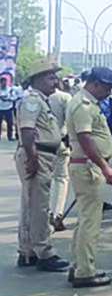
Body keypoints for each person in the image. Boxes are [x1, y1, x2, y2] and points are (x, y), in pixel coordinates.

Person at [66, 67, 112, 287]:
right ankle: (85, 271)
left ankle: (78, 265)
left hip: (88, 166)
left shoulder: (87, 102)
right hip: (88, 167)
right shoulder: (83, 104)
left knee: (84, 220)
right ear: (95, 84)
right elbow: (85, 137)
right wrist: (104, 167)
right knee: (90, 222)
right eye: (107, 88)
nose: (109, 93)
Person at [14, 63, 71, 272]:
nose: (55, 82)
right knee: (39, 206)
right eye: (51, 78)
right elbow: (27, 131)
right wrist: (32, 157)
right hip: (38, 153)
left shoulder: (41, 101)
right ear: (37, 79)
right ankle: (44, 252)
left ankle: (28, 251)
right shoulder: (32, 101)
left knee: (32, 205)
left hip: (44, 153)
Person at [48, 79, 73, 231]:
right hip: (60, 143)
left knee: (44, 181)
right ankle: (57, 213)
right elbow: (71, 121)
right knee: (61, 179)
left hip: (40, 145)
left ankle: (46, 212)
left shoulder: (29, 97)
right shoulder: (64, 98)